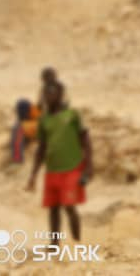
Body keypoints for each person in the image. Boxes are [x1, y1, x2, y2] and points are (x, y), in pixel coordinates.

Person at [26, 82, 92, 245]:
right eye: (45, 93)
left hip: (71, 168)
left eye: (51, 93)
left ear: (60, 94)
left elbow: (85, 140)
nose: (48, 97)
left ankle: (77, 242)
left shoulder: (72, 115)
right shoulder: (44, 120)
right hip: (52, 170)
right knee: (53, 208)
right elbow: (41, 148)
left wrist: (89, 166)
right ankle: (54, 245)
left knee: (69, 206)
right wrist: (33, 174)